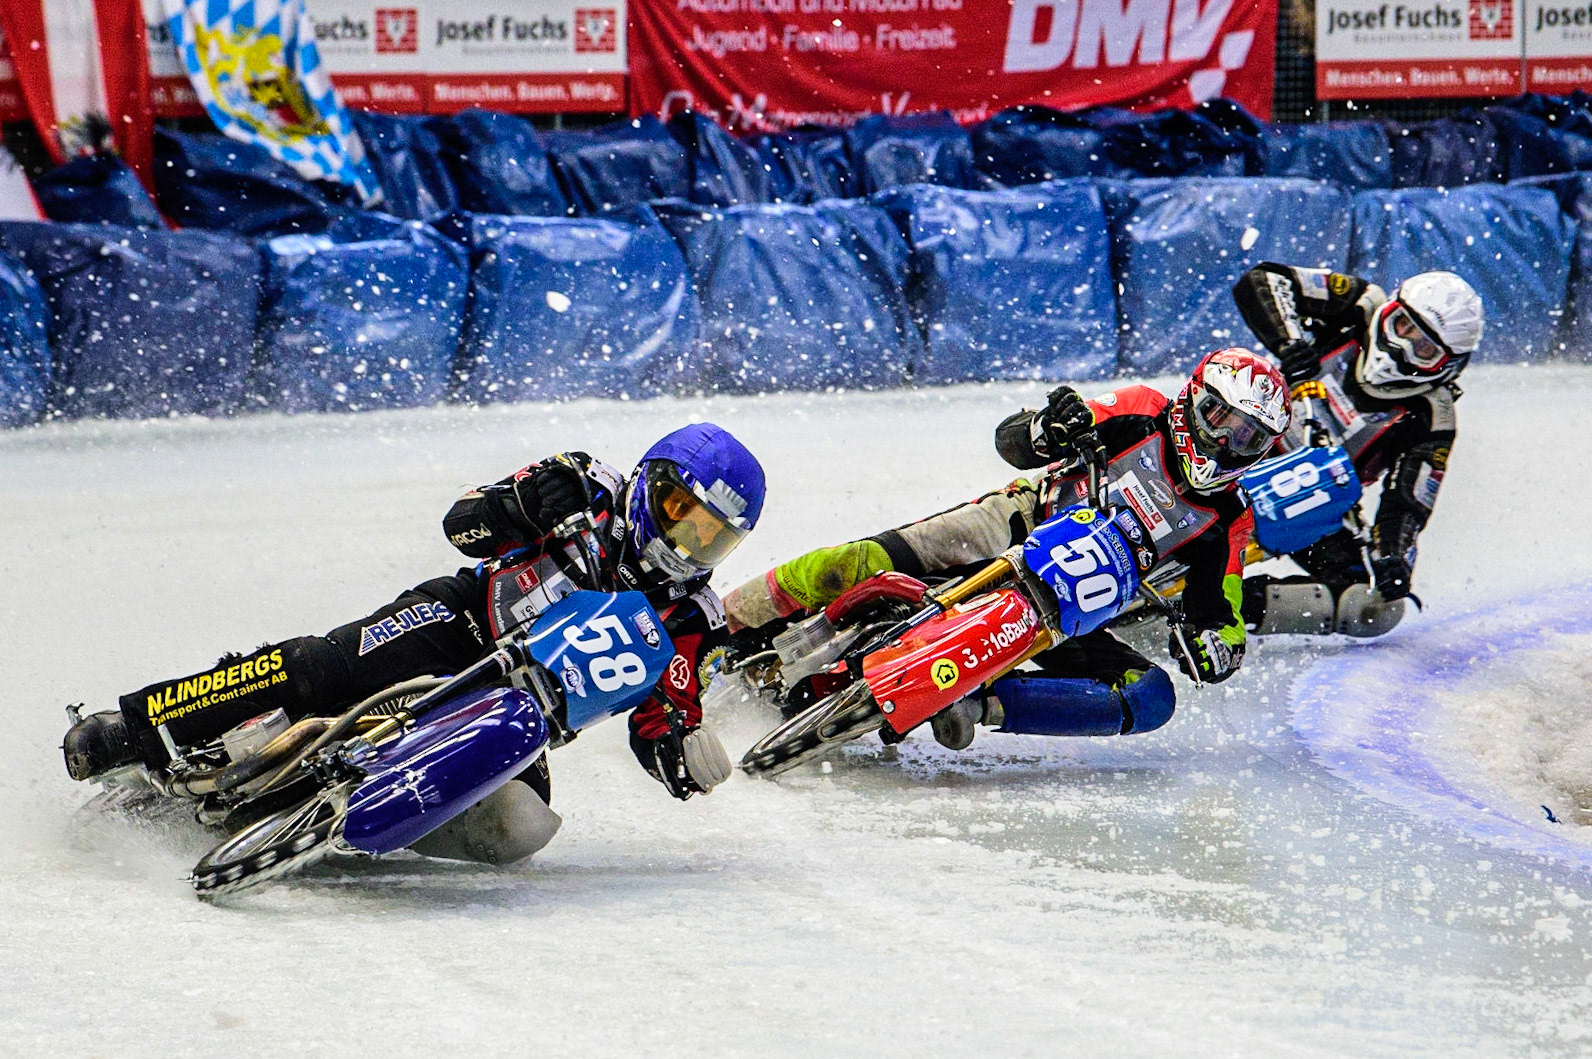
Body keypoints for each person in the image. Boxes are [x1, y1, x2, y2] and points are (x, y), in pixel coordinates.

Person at [63, 423, 766, 863]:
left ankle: (350, 816)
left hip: (514, 717)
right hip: (456, 623)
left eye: (711, 535)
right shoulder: (589, 483)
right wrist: (518, 504)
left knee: (520, 828)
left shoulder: (692, 617)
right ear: (654, 482)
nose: (687, 541)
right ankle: (137, 725)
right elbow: (462, 524)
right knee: (323, 666)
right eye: (682, 513)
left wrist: (680, 751)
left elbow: (665, 708)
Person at [724, 348, 1290, 751]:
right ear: (1194, 397)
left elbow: (1224, 608)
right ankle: (727, 620)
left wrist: (1217, 645)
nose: (1225, 441)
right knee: (858, 561)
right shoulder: (1141, 409)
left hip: (1075, 613)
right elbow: (1015, 441)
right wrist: (1050, 426)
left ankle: (978, 704)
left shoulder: (1230, 521)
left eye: (1247, 437)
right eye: (1222, 419)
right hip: (1018, 520)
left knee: (1151, 698)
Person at [1231, 264, 1483, 635]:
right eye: (1403, 326)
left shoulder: (1433, 416)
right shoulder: (1361, 303)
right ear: (1390, 309)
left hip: (1311, 503)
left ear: (1446, 365)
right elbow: (1263, 280)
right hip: (1240, 439)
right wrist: (1290, 343)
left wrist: (1393, 559)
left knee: (1370, 607)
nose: (1402, 346)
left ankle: (1223, 609)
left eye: (1423, 348)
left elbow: (1406, 503)